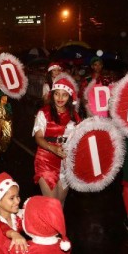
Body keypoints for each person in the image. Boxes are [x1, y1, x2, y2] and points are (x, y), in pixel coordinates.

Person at [32, 73, 81, 206]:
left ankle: (58, 227)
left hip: (65, 163)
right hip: (46, 160)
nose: (60, 98)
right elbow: (38, 138)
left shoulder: (74, 116)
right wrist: (52, 147)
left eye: (64, 94)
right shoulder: (44, 113)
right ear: (52, 94)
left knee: (61, 203)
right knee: (52, 205)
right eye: (57, 94)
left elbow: (80, 140)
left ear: (69, 97)